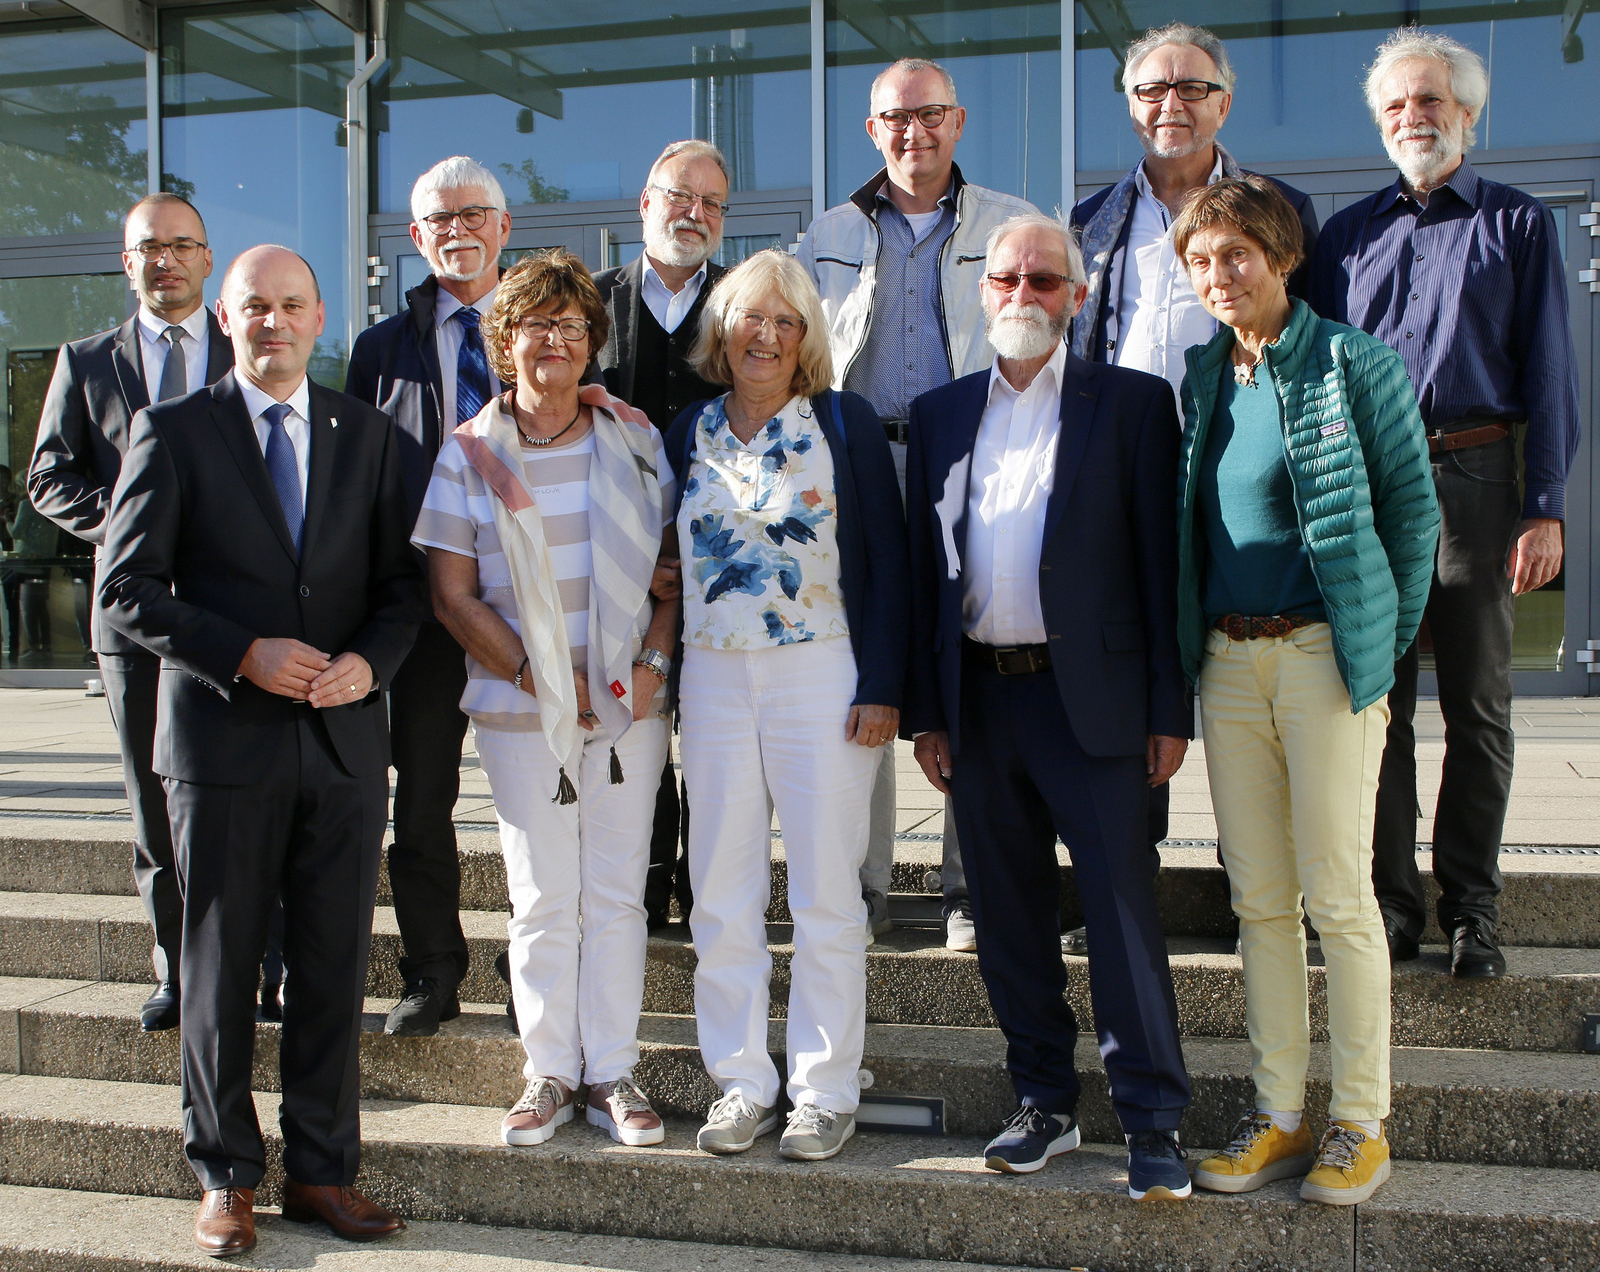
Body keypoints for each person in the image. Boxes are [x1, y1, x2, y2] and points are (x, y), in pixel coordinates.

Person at [98, 245, 423, 1255]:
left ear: (320, 317)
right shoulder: (172, 432)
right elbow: (124, 591)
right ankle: (225, 1176)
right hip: (221, 746)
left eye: (291, 306)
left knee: (331, 969)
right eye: (254, 309)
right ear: (225, 320)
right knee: (220, 967)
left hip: (339, 747)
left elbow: (404, 590)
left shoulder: (367, 435)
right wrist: (241, 650)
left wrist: (370, 665)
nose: (273, 323)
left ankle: (323, 1173)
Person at [903, 214, 1192, 1199]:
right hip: (979, 704)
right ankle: (1044, 1103)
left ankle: (1152, 1119)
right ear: (981, 293)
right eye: (1007, 279)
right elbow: (922, 572)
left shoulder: (1135, 406)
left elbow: (1161, 566)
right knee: (1006, 920)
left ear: (1074, 295)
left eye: (1044, 280)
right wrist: (926, 712)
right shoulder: (938, 414)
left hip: (1097, 708)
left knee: (1120, 917)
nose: (1023, 294)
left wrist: (1169, 706)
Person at [1171, 176, 1439, 1205]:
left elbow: (1413, 519)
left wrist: (1376, 649)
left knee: (1338, 897)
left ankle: (1358, 1122)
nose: (1217, 275)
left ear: (1281, 257)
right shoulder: (1202, 378)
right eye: (1200, 261)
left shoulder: (1353, 362)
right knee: (1257, 903)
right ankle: (1279, 1116)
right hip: (1229, 667)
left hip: (1324, 658)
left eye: (1235, 255)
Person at [1310, 30, 1581, 980]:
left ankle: (1474, 910)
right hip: (1373, 490)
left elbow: (1550, 371)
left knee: (1479, 708)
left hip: (1477, 482)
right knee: (1372, 711)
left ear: (1467, 114)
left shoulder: (1517, 224)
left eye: (1431, 102)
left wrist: (1543, 504)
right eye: (1396, 106)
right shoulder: (1343, 238)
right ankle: (1392, 908)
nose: (1413, 118)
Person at [1062, 23, 1320, 955]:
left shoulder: (1279, 208)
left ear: (1224, 100)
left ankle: (1292, 898)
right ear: (1130, 105)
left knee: (1272, 670)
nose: (1170, 104)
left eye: (1191, 87)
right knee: (1136, 673)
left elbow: (1307, 337)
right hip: (1127, 475)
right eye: (1150, 90)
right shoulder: (1091, 218)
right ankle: (1128, 884)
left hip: (1240, 470)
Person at [415, 249, 676, 1150]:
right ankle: (549, 1070)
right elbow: (451, 595)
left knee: (615, 894)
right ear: (504, 339)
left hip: (626, 709)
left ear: (593, 342)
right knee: (539, 897)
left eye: (571, 325)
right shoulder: (469, 454)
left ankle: (611, 1070)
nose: (554, 340)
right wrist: (540, 678)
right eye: (536, 324)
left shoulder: (636, 441)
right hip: (520, 708)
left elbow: (673, 578)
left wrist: (650, 668)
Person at [665, 250, 907, 1163]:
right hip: (715, 675)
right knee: (721, 890)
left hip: (823, 672)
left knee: (826, 894)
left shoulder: (840, 423)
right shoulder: (685, 427)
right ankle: (739, 1082)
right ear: (721, 333)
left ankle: (823, 1090)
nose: (764, 335)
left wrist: (884, 684)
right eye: (747, 319)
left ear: (806, 338)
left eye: (785, 321)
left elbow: (888, 560)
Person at [799, 57, 1034, 953]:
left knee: (965, 667)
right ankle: (862, 889)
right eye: (896, 118)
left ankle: (968, 889)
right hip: (855, 470)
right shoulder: (824, 235)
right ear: (872, 130)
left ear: (958, 120)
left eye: (930, 114)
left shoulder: (1011, 226)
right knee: (864, 671)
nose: (914, 131)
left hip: (969, 466)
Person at [27, 192, 234, 1032]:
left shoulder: (248, 347)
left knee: (247, 798)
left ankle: (260, 964)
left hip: (235, 619)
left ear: (206, 258)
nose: (167, 261)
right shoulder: (86, 361)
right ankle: (178, 970)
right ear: (128, 261)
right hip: (134, 622)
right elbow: (46, 477)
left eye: (183, 246)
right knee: (155, 804)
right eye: (150, 247)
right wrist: (138, 522)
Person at [347, 156, 514, 1035]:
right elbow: (351, 483)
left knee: (542, 793)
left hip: (534, 606)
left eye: (473, 214)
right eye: (438, 219)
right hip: (425, 611)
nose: (458, 230)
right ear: (416, 238)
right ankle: (433, 968)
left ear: (503, 227)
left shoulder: (548, 325)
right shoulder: (381, 348)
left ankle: (538, 967)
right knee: (420, 800)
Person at [592, 138, 732, 931]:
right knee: (634, 732)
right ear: (645, 204)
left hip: (718, 569)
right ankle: (640, 890)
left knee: (709, 744)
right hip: (617, 569)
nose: (695, 214)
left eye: (712, 203)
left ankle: (701, 894)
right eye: (681, 196)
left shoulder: (743, 304)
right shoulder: (592, 302)